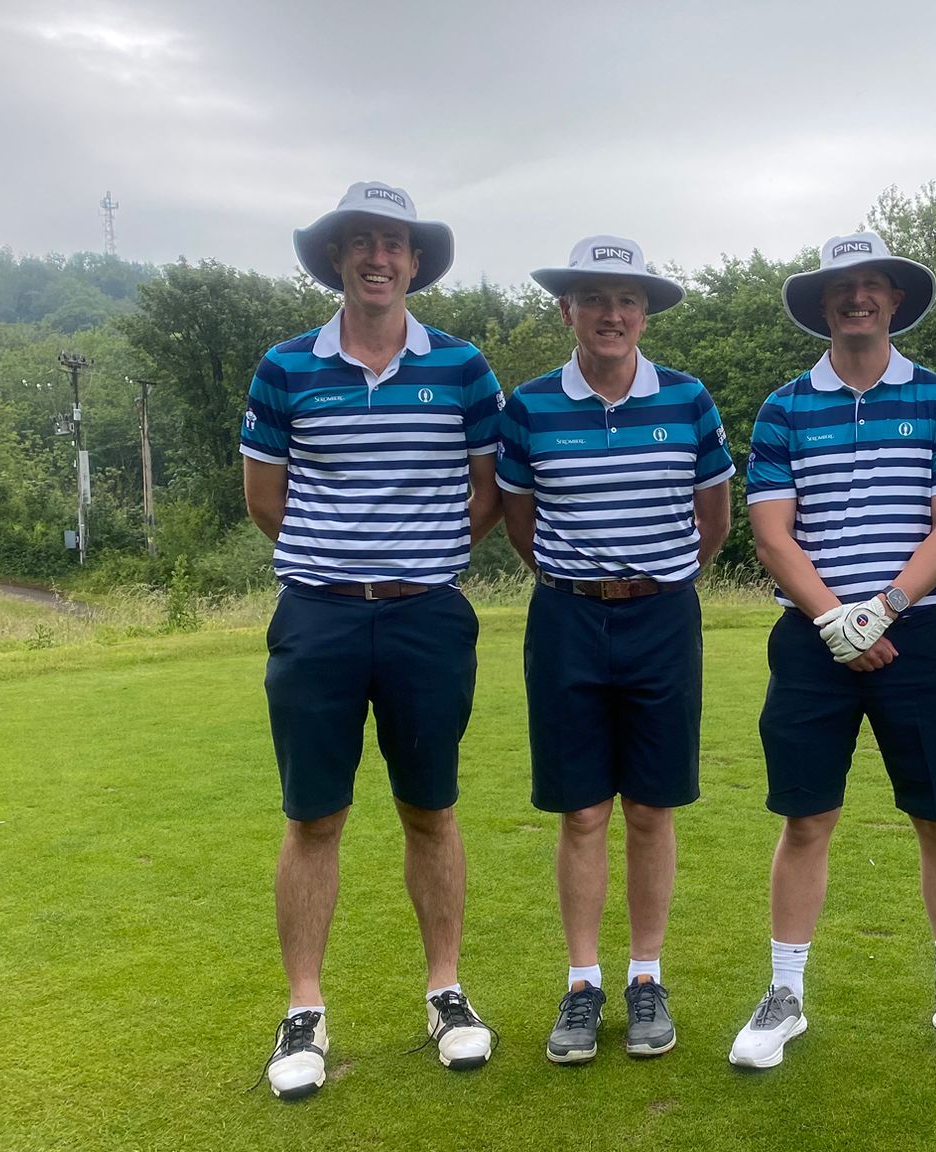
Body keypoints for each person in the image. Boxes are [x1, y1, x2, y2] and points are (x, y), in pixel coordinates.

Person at [239, 181, 502, 1099]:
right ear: (338, 258)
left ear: (415, 261)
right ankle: (304, 1011)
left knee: (430, 808)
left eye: (394, 243)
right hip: (318, 616)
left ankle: (446, 994)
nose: (378, 257)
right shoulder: (285, 367)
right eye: (362, 242)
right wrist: (338, 562)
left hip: (426, 615)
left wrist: (418, 561)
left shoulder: (463, 367)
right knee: (314, 817)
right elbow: (265, 499)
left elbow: (486, 493)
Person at [726, 231, 936, 1069]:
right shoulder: (784, 408)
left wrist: (879, 613)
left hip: (913, 635)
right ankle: (785, 996)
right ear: (823, 304)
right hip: (812, 642)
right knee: (807, 818)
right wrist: (834, 622)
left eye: (873, 284)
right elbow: (772, 535)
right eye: (842, 287)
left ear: (894, 300)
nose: (857, 298)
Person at [496, 236, 733, 1064]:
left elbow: (714, 519)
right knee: (583, 811)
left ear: (645, 313)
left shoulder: (689, 399)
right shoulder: (529, 406)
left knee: (650, 808)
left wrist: (655, 582)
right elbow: (521, 523)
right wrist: (582, 583)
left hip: (662, 617)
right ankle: (582, 983)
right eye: (593, 298)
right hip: (567, 618)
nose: (611, 313)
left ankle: (645, 977)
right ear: (567, 309)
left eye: (626, 299)